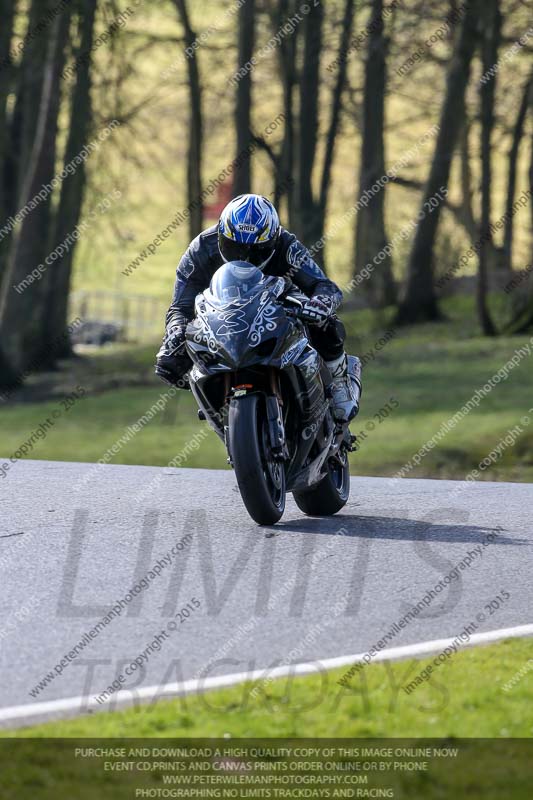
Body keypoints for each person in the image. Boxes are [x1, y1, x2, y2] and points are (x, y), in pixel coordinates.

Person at [155, 193, 361, 422]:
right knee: (170, 361)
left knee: (325, 322)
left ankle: (341, 377)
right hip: (222, 316)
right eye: (236, 248)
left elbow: (324, 286)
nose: (245, 257)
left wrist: (319, 304)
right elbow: (180, 306)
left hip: (278, 306)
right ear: (222, 235)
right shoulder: (202, 248)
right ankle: (219, 408)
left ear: (272, 241)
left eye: (256, 251)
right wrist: (174, 333)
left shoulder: (286, 245)